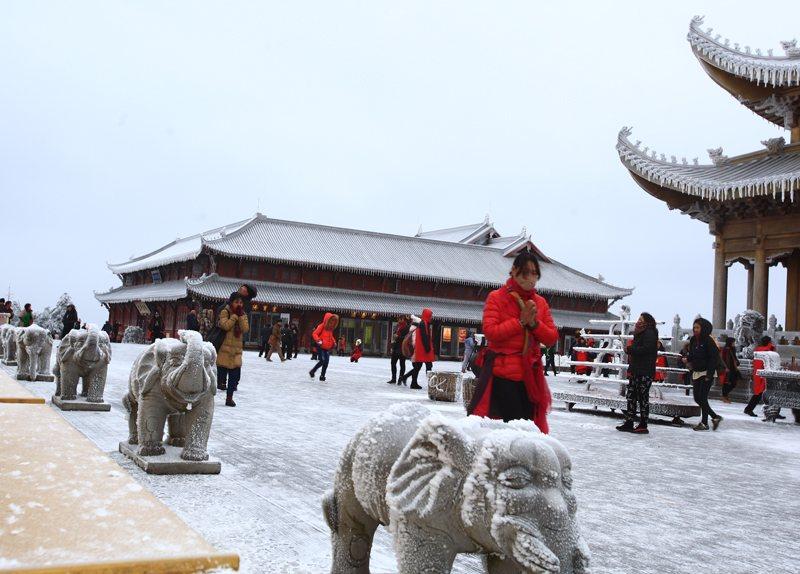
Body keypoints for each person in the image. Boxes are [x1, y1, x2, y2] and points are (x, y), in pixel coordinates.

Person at [467, 251, 557, 432]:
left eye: (534, 273)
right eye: (526, 272)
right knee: (515, 425)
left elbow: (551, 337)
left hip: (530, 376)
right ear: (514, 271)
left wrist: (534, 324)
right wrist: (519, 322)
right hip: (503, 374)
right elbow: (491, 332)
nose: (530, 278)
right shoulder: (497, 297)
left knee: (530, 425)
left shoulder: (540, 303)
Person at [616, 313, 659, 434]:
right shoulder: (639, 332)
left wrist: (630, 350)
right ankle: (629, 421)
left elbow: (646, 349)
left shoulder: (650, 333)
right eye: (638, 319)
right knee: (631, 395)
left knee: (642, 397)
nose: (638, 321)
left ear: (647, 321)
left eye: (641, 319)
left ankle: (643, 424)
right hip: (636, 369)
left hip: (645, 371)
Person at [684, 317, 722, 431]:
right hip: (697, 371)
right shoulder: (693, 340)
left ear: (703, 328)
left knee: (703, 398)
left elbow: (713, 358)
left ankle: (705, 422)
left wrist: (709, 375)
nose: (695, 329)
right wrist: (688, 359)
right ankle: (714, 417)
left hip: (706, 372)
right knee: (697, 398)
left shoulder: (709, 341)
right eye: (694, 327)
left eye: (697, 327)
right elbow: (693, 354)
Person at [216, 293, 249, 407]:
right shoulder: (225, 312)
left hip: (236, 351)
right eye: (236, 302)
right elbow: (225, 326)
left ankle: (229, 398)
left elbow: (245, 329)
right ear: (231, 302)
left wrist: (240, 316)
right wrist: (234, 316)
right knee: (220, 376)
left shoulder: (243, 314)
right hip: (224, 349)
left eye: (240, 302)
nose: (239, 305)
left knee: (234, 377)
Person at [399, 309, 435, 389]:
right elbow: (425, 337)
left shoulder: (422, 323)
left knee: (418, 366)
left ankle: (409, 380)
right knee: (427, 366)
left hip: (420, 349)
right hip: (423, 349)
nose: (431, 317)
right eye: (430, 315)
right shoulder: (424, 324)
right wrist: (428, 348)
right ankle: (430, 384)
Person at [744, 336, 775, 417]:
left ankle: (774, 411)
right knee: (761, 394)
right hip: (764, 374)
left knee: (764, 393)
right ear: (769, 342)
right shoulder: (767, 351)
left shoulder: (758, 350)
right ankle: (748, 409)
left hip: (758, 373)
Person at [310, 313, 339, 381]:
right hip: (320, 346)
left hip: (327, 347)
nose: (332, 323)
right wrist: (318, 340)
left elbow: (331, 336)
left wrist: (334, 342)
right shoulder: (322, 326)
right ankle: (313, 371)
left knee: (326, 362)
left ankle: (322, 376)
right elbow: (314, 333)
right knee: (322, 360)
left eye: (333, 321)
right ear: (327, 320)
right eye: (331, 321)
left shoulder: (330, 329)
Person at [387, 317, 409, 384]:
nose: (399, 320)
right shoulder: (397, 326)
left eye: (400, 319)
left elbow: (407, 337)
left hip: (402, 347)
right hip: (396, 347)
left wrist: (398, 337)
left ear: (404, 320)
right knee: (393, 363)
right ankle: (393, 379)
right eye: (398, 319)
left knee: (402, 364)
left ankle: (400, 378)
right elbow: (394, 334)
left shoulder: (407, 327)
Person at [719, 337, 741, 404]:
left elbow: (734, 358)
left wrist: (737, 362)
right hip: (727, 368)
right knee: (726, 383)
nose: (734, 343)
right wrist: (725, 367)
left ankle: (725, 395)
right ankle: (724, 396)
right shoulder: (725, 349)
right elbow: (722, 359)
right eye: (733, 342)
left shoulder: (732, 349)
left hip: (733, 368)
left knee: (733, 383)